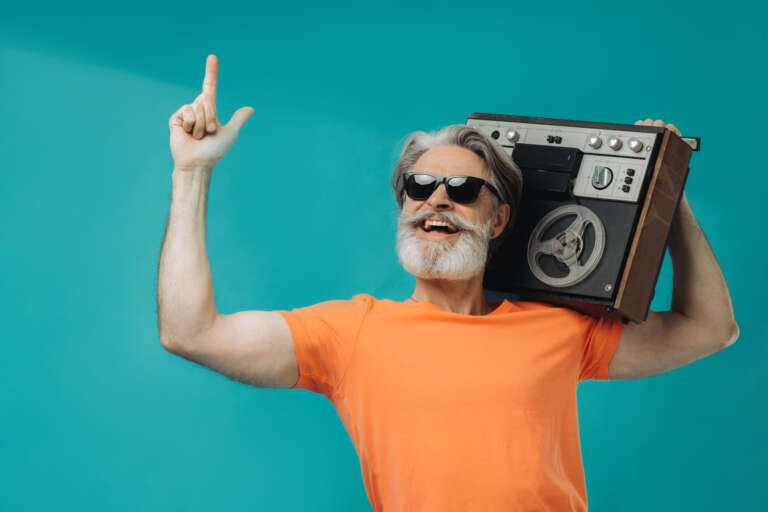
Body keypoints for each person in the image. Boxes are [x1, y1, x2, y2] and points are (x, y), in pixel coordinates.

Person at [156, 55, 739, 511]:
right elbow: (190, 332)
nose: (437, 199)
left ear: (498, 219)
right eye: (419, 186)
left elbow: (711, 328)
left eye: (463, 190)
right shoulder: (350, 332)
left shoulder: (560, 327)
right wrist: (191, 173)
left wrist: (665, 189)